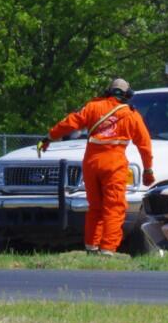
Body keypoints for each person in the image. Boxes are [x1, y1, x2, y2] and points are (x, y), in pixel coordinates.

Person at [38, 78, 154, 256]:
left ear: (108, 91)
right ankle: (108, 249)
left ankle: (91, 247)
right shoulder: (132, 115)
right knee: (114, 207)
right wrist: (148, 170)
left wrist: (49, 137)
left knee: (95, 207)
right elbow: (145, 146)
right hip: (114, 165)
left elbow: (70, 122)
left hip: (91, 163)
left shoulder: (93, 107)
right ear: (127, 94)